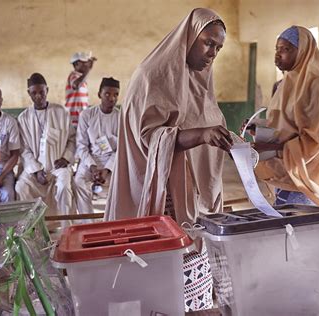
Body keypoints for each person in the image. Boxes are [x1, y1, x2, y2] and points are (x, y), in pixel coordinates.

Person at [104, 8, 233, 311]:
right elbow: (151, 138)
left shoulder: (198, 80)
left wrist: (222, 139)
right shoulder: (153, 76)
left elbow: (206, 122)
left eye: (219, 47)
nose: (212, 53)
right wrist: (202, 134)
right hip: (159, 193)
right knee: (157, 276)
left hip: (191, 196)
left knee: (189, 284)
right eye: (208, 43)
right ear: (189, 37)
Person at [251, 26, 319, 290]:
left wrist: (274, 145)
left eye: (286, 49)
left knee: (303, 232)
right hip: (286, 169)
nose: (278, 55)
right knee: (292, 233)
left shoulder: (318, 82)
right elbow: (283, 127)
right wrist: (259, 134)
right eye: (276, 49)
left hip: (308, 170)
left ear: (303, 50)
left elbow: (315, 138)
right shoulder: (286, 83)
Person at [16, 73, 76, 227]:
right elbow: (24, 149)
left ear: (47, 90)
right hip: (35, 168)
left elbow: (72, 138)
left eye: (41, 92)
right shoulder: (23, 118)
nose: (38, 96)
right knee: (21, 186)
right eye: (34, 93)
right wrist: (36, 171)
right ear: (29, 93)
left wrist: (66, 158)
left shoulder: (61, 112)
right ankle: (34, 228)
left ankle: (66, 228)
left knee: (64, 187)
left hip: (58, 166)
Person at [74, 77, 120, 219]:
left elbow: (121, 149)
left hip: (112, 161)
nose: (111, 98)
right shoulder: (87, 115)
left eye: (116, 94)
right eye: (107, 94)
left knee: (121, 183)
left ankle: (112, 220)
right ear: (99, 94)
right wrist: (93, 167)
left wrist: (107, 169)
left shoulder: (121, 117)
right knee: (79, 181)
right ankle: (87, 223)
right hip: (91, 159)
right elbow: (81, 146)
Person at [65, 52, 97, 127]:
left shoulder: (82, 79)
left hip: (80, 118)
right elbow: (76, 85)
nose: (86, 65)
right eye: (84, 63)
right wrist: (88, 70)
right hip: (73, 119)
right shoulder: (73, 75)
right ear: (76, 64)